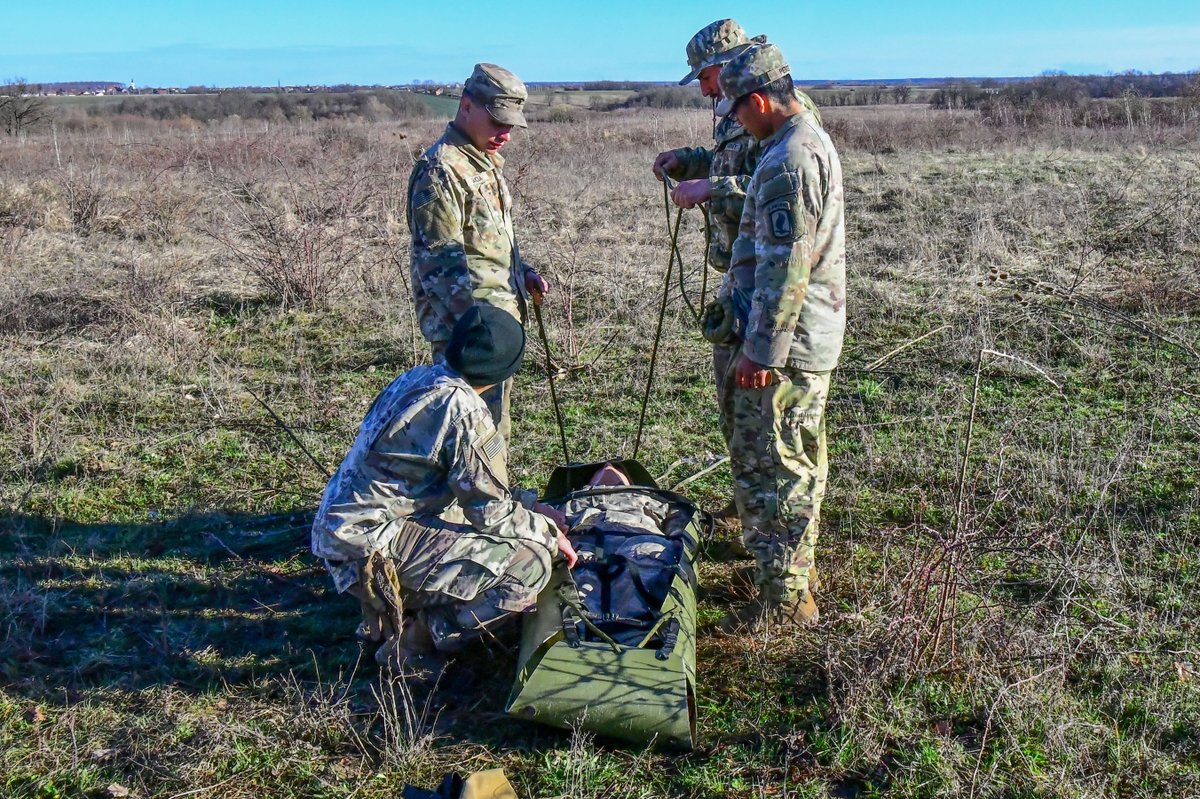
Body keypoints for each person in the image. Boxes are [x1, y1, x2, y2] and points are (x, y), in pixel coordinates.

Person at [311, 306, 578, 671]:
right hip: (369, 551)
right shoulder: (466, 410)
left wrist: (529, 505)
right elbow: (490, 513)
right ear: (503, 370)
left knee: (492, 535)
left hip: (344, 534)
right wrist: (548, 534)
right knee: (527, 566)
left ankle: (391, 608)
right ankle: (410, 646)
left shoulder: (418, 378)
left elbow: (470, 488)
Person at [651, 19, 821, 525]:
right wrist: (690, 161)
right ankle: (751, 493)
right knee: (736, 403)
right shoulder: (736, 112)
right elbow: (734, 161)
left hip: (771, 282)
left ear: (730, 66)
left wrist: (714, 189)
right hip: (741, 273)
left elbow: (778, 189)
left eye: (704, 75)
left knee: (767, 413)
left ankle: (773, 516)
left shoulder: (790, 119)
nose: (704, 88)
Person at [713, 43, 847, 632]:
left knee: (774, 468)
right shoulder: (801, 142)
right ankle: (795, 579)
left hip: (783, 350)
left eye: (737, 109)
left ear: (761, 100)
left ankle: (786, 606)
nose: (735, 120)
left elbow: (784, 267)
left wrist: (759, 351)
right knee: (795, 461)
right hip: (803, 339)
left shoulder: (789, 160)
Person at [407, 62, 549, 444]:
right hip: (469, 335)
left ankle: (492, 501)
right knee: (467, 440)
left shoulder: (483, 164)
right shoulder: (441, 171)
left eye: (511, 125)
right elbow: (438, 267)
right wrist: (476, 339)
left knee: (492, 437)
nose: (505, 133)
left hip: (496, 327)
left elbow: (486, 243)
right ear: (466, 106)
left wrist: (523, 272)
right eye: (497, 121)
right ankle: (466, 506)